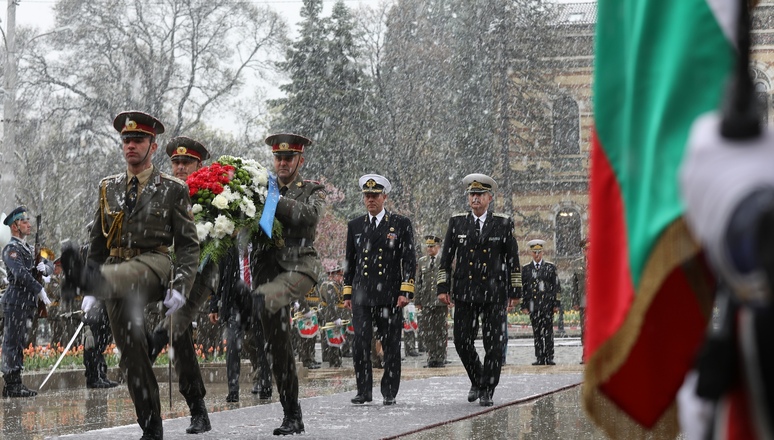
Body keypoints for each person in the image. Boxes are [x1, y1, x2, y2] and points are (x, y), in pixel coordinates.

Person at [60, 111, 204, 439]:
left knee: (124, 273)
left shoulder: (172, 189)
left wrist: (181, 287)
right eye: (126, 140)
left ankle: (89, 279)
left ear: (153, 146)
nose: (131, 145)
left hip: (154, 265)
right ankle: (151, 426)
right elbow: (98, 241)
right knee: (132, 354)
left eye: (138, 140)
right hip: (113, 275)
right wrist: (92, 289)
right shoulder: (108, 187)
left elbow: (188, 246)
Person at [249, 132, 325, 435]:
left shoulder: (311, 190)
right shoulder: (259, 189)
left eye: (288, 158)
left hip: (299, 267)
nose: (282, 162)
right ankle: (292, 414)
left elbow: (307, 216)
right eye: (278, 158)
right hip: (267, 273)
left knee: (265, 298)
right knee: (278, 348)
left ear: (300, 160)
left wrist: (273, 200)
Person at [436, 174, 521, 407]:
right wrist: (443, 287)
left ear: (489, 198)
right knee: (461, 340)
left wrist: (515, 290)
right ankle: (478, 377)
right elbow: (446, 259)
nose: (475, 198)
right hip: (465, 291)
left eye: (480, 195)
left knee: (493, 343)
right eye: (472, 195)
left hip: (494, 293)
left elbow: (513, 259)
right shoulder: (457, 223)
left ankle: (487, 389)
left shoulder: (503, 223)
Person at [343, 174, 416, 406]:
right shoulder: (355, 225)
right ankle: (364, 390)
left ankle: (389, 390)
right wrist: (347, 293)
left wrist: (406, 291)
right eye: (367, 195)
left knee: (391, 344)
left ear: (385, 196)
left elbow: (409, 260)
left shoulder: (400, 224)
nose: (370, 199)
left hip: (390, 295)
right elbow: (350, 262)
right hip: (362, 294)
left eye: (375, 195)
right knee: (361, 343)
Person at [210, 240, 272, 402]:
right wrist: (213, 305)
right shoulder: (227, 250)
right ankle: (233, 389)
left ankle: (265, 384)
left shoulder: (261, 247)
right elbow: (219, 278)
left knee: (261, 343)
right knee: (232, 344)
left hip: (257, 298)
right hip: (234, 304)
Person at [1, 206, 52, 397]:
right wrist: (39, 289)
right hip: (15, 302)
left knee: (20, 343)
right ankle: (11, 385)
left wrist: (45, 268)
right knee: (12, 343)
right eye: (24, 222)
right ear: (15, 226)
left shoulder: (29, 248)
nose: (28, 225)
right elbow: (20, 274)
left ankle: (16, 382)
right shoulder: (10, 250)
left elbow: (49, 263)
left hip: (26, 303)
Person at [520, 239, 561, 366]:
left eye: (539, 252)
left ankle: (549, 356)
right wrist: (524, 305)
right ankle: (539, 356)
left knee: (548, 332)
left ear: (542, 252)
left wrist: (556, 304)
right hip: (534, 305)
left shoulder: (550, 267)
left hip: (547, 304)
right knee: (537, 332)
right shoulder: (526, 269)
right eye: (534, 252)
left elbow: (557, 287)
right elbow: (524, 288)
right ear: (531, 253)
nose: (537, 255)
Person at [415, 235, 448, 368]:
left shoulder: (444, 260)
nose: (429, 248)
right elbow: (418, 282)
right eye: (428, 246)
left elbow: (449, 279)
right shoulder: (423, 261)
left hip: (440, 301)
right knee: (428, 331)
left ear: (438, 247)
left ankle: (440, 357)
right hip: (427, 300)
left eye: (432, 246)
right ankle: (431, 356)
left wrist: (449, 297)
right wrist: (417, 300)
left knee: (440, 330)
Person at [318, 265, 349, 368]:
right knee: (332, 339)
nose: (342, 278)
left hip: (336, 316)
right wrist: (335, 318)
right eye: (341, 275)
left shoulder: (337, 285)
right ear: (335, 275)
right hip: (331, 316)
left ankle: (336, 359)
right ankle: (334, 360)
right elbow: (331, 304)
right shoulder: (330, 286)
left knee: (337, 338)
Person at [293, 286, 322, 369]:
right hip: (304, 312)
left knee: (312, 337)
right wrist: (305, 308)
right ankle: (305, 360)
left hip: (312, 311)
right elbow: (298, 294)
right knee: (305, 339)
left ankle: (311, 358)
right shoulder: (301, 281)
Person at [570, 238, 588, 364]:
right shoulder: (577, 264)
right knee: (584, 329)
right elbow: (574, 285)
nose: (589, 251)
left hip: (597, 302)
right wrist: (574, 301)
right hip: (583, 301)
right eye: (586, 249)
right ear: (583, 250)